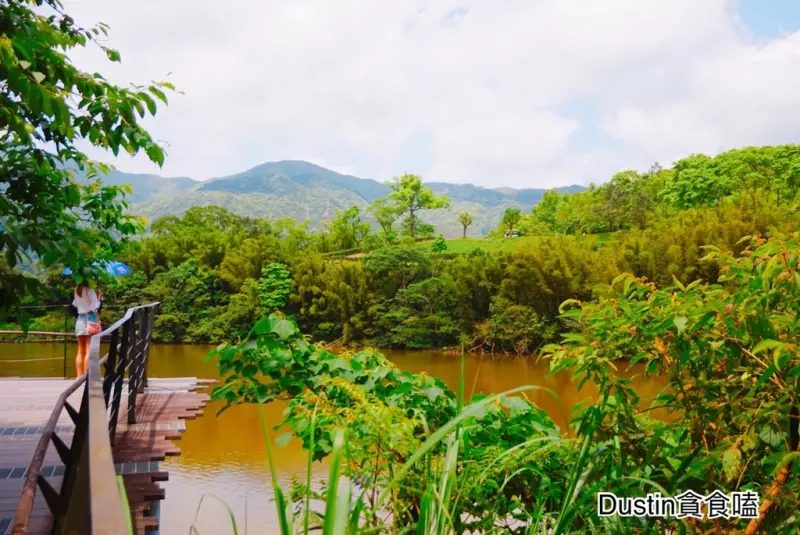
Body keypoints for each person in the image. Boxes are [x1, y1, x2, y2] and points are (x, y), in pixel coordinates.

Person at [73, 282, 102, 377]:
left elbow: (75, 304)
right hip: (89, 320)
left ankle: (79, 377)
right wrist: (98, 297)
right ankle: (86, 377)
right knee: (89, 349)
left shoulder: (77, 290)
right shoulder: (90, 290)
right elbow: (95, 307)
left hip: (80, 319)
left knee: (80, 350)